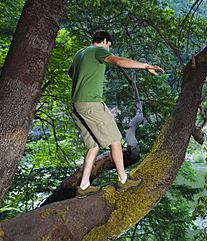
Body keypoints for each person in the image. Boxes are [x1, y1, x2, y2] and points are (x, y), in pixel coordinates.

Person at [68, 30, 165, 198]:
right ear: (105, 41)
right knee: (116, 139)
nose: (108, 49)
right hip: (91, 103)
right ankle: (123, 180)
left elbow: (71, 73)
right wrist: (145, 66)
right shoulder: (98, 50)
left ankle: (83, 186)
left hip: (77, 104)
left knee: (94, 146)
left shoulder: (80, 53)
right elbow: (119, 61)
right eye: (108, 45)